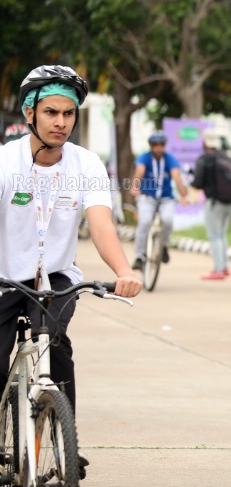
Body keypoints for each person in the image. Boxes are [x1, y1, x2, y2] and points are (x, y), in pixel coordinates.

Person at [0, 65, 141, 433]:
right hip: (3, 276)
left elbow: (100, 224)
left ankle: (65, 441)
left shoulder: (86, 163)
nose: (60, 122)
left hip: (56, 276)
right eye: (50, 112)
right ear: (29, 113)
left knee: (56, 346)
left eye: (68, 113)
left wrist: (123, 271)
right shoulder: (5, 162)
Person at [131, 130, 189, 271]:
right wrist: (135, 187)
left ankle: (163, 246)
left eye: (161, 145)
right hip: (147, 197)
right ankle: (139, 256)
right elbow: (139, 172)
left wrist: (183, 194)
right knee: (144, 222)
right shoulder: (144, 158)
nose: (158, 148)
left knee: (168, 221)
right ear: (150, 146)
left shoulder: (170, 159)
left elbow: (176, 176)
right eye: (155, 145)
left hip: (166, 199)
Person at [192, 130, 231, 280]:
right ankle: (224, 267)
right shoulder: (227, 157)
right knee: (222, 234)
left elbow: (197, 183)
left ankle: (218, 269)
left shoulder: (204, 159)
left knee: (214, 236)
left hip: (214, 202)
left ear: (205, 143)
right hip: (230, 202)